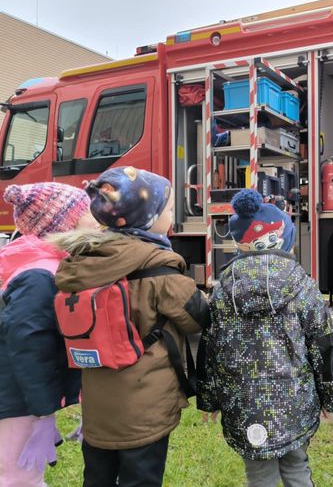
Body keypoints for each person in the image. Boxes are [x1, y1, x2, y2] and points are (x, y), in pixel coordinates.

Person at [51, 166, 210, 487]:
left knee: (97, 478)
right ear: (147, 218)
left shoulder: (83, 262)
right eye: (165, 209)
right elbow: (197, 318)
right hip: (144, 409)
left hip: (98, 409)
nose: (170, 216)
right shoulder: (159, 270)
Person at [197, 189, 333, 487]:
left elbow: (210, 347)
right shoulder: (301, 284)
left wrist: (209, 399)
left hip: (245, 405)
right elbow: (323, 345)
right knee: (297, 467)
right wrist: (331, 398)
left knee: (259, 475)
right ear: (284, 240)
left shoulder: (223, 287)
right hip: (295, 403)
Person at [0, 182, 98, 486]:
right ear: (64, 223)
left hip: (17, 396)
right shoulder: (40, 276)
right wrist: (43, 414)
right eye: (88, 212)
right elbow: (29, 348)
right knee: (19, 477)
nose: (97, 219)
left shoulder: (37, 264)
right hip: (15, 400)